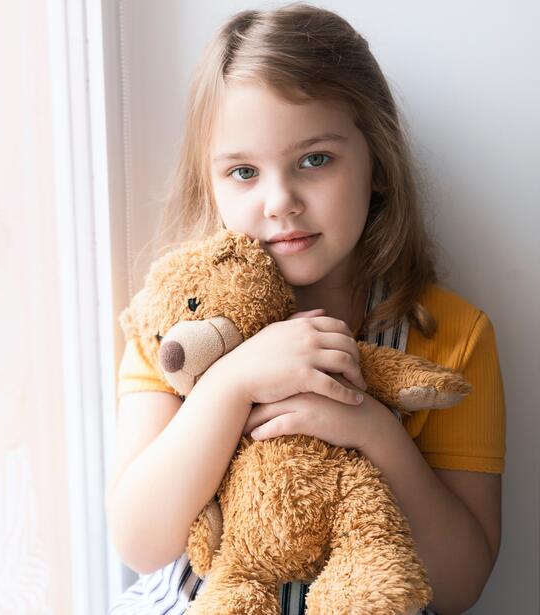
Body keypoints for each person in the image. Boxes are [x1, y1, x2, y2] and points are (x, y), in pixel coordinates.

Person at [105, 4, 506, 615]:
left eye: (315, 160)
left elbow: (460, 586)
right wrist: (231, 385)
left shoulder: (452, 337)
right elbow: (140, 543)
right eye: (243, 172)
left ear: (375, 161)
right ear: (209, 185)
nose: (280, 201)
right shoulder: (168, 328)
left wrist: (369, 427)